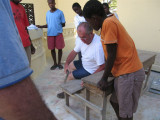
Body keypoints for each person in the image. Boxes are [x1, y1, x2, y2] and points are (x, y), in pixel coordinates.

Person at [83, 0, 145, 120]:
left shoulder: (108, 23)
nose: (90, 25)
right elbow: (110, 54)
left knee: (125, 113)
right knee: (115, 102)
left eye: (89, 21)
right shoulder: (109, 20)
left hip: (129, 72)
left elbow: (111, 54)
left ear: (95, 18)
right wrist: (110, 71)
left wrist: (104, 78)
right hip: (123, 71)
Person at [0, 0, 57, 120]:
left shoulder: (21, 8)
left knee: (27, 69)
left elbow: (26, 28)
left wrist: (30, 43)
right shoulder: (6, 4)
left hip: (25, 42)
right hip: (16, 46)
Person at [57, 22, 105, 98]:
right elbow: (74, 52)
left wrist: (90, 79)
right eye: (80, 37)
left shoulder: (98, 46)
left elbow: (102, 67)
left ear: (91, 33)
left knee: (70, 76)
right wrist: (66, 63)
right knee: (70, 66)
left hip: (91, 69)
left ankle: (66, 93)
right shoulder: (81, 39)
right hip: (85, 63)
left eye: (84, 38)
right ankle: (75, 87)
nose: (82, 40)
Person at [37, 0, 66, 70]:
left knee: (59, 49)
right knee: (52, 49)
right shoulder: (47, 13)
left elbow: (63, 24)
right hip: (50, 34)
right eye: (49, 3)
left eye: (52, 3)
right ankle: (55, 63)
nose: (51, 4)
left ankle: (59, 63)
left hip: (58, 33)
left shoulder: (60, 12)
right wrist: (40, 26)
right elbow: (48, 25)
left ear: (54, 3)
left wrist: (57, 25)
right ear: (48, 4)